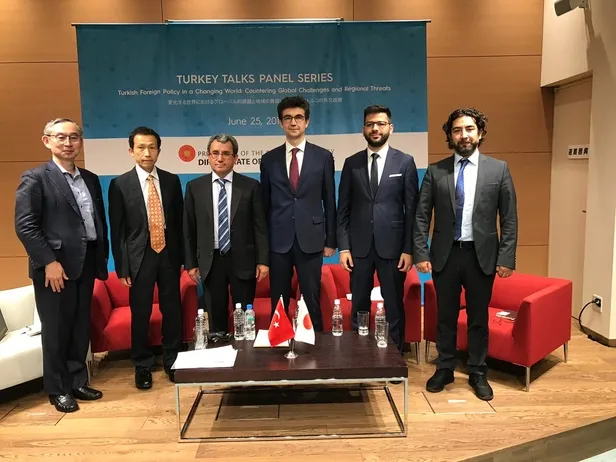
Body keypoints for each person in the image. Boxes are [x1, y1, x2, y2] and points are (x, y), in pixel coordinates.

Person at [413, 107, 518, 401]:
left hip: (480, 257)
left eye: (469, 129)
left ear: (480, 133)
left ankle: (478, 371)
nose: (464, 135)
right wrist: (421, 252)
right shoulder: (436, 171)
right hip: (445, 256)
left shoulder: (498, 170)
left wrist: (506, 257)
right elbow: (421, 216)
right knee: (445, 316)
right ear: (450, 136)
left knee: (478, 318)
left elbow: (509, 217)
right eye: (457, 130)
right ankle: (445, 367)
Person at [14, 118, 109, 413]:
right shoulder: (35, 178)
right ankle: (57, 389)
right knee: (56, 330)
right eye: (60, 137)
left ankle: (77, 381)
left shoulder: (90, 178)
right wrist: (49, 262)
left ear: (80, 141)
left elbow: (96, 220)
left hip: (86, 262)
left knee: (80, 327)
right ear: (47, 141)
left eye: (74, 137)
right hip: (55, 269)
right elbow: (25, 226)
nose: (68, 143)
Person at [337, 105, 419, 352]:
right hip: (359, 249)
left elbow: (412, 211)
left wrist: (409, 249)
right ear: (363, 129)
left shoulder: (405, 162)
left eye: (381, 124)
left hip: (393, 249)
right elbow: (343, 209)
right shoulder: (351, 163)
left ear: (390, 128)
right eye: (370, 124)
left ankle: (394, 356)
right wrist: (344, 247)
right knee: (359, 305)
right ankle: (360, 354)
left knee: (393, 305)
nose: (375, 128)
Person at [108, 126, 184, 390]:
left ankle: (173, 359)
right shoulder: (120, 184)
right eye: (141, 147)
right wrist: (122, 267)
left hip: (169, 255)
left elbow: (180, 224)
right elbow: (117, 230)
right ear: (131, 151)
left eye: (152, 147)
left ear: (159, 151)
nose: (147, 153)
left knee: (172, 309)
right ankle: (142, 364)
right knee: (140, 312)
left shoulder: (172, 181)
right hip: (139, 257)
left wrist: (185, 258)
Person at [260, 96, 336, 330]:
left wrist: (330, 241)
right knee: (279, 301)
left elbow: (329, 201)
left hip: (311, 240)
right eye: (288, 118)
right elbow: (264, 206)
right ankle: (280, 343)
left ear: (307, 121)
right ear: (280, 122)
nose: (293, 122)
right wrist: (264, 247)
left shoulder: (323, 157)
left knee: (311, 298)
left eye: (299, 117)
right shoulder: (269, 159)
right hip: (278, 241)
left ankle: (315, 345)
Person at [184, 134, 269, 332]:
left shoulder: (250, 186)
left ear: (235, 158)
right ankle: (219, 349)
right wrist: (191, 263)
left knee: (245, 316)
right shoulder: (195, 187)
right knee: (216, 317)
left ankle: (245, 350)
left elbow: (260, 227)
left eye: (225, 153)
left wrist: (263, 261)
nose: (220, 158)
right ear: (208, 156)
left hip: (243, 261)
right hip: (210, 262)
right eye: (215, 153)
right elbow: (188, 228)